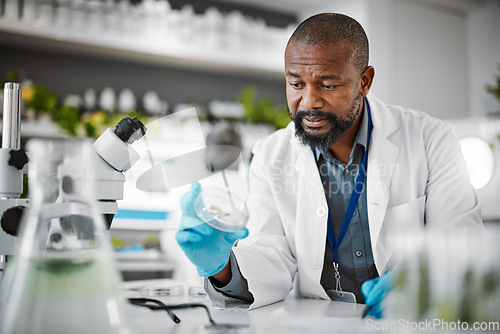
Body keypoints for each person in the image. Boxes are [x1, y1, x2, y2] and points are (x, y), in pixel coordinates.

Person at [175, 13, 483, 317]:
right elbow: (271, 255)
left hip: (410, 322)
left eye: (327, 85)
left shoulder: (430, 139)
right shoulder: (270, 155)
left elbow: (461, 245)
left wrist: (418, 282)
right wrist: (221, 266)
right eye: (296, 84)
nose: (309, 102)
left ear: (364, 81)